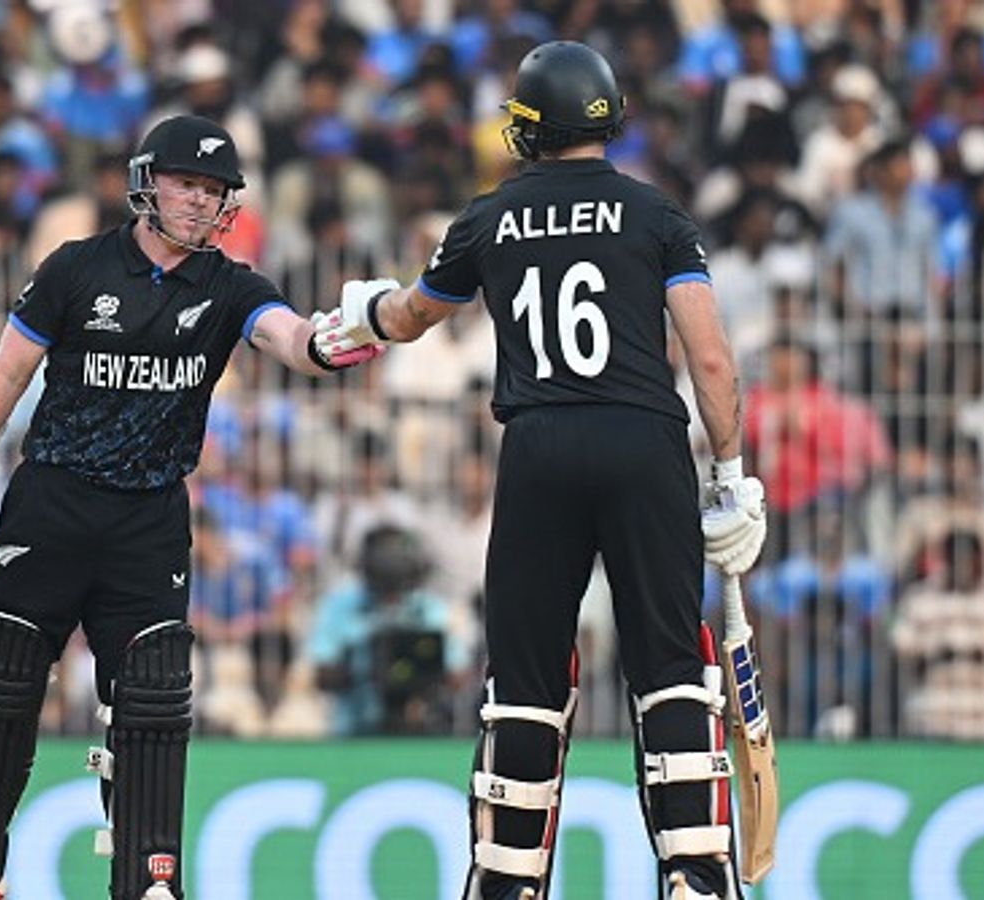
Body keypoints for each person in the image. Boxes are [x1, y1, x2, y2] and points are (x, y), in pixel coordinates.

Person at [314, 42, 767, 900]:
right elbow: (710, 362)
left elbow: (411, 318)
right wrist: (733, 474)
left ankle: (507, 879)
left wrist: (364, 310)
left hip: (539, 448)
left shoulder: (488, 218)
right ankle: (696, 874)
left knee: (525, 677)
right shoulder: (658, 214)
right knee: (670, 667)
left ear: (528, 126)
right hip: (644, 444)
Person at [0, 113, 379, 900]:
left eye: (214, 190)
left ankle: (150, 880)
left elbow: (288, 336)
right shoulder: (74, 268)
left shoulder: (231, 286)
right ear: (147, 183)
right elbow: (6, 372)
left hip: (148, 517)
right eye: (186, 184)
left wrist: (332, 340)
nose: (199, 203)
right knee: (1, 677)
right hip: (52, 501)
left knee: (155, 699)